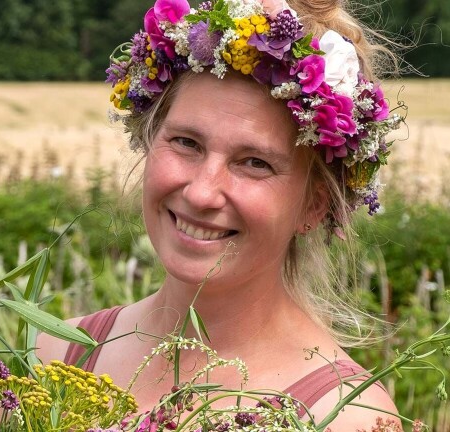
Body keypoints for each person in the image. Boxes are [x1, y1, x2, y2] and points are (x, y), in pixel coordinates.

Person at [36, 0, 406, 429]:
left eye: (254, 163)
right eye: (186, 143)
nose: (202, 192)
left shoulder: (344, 417)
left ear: (315, 204)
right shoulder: (57, 355)